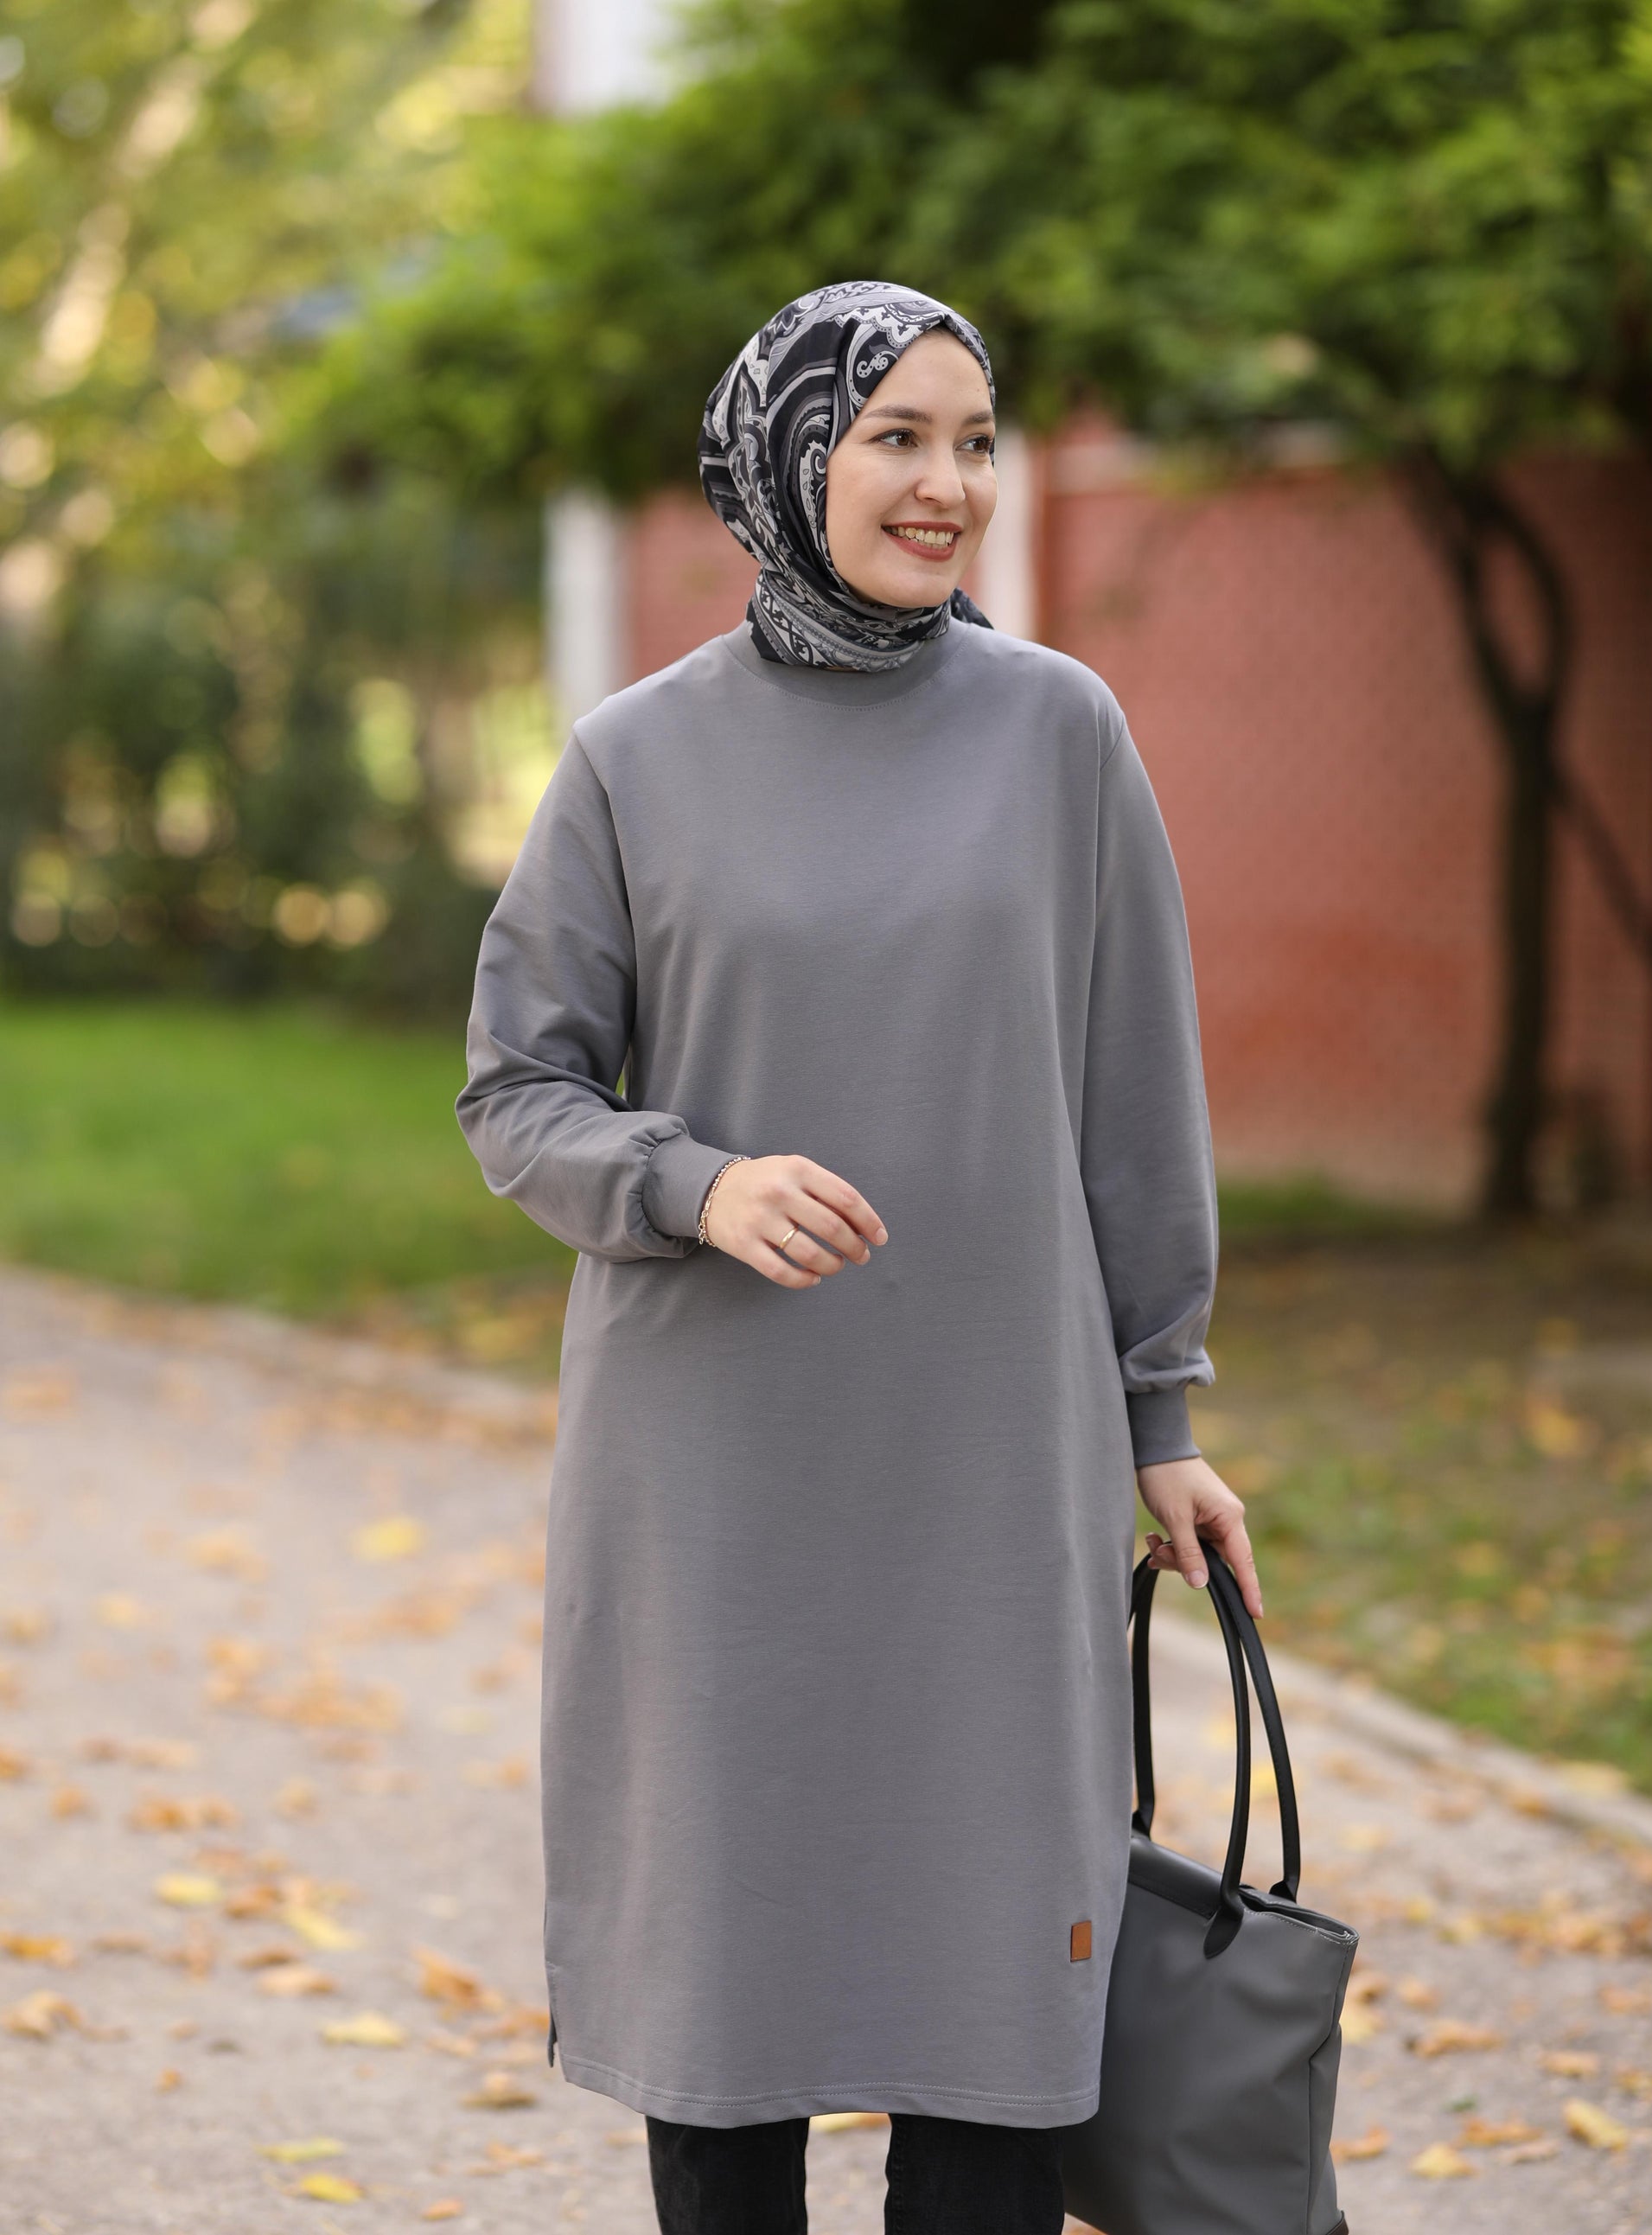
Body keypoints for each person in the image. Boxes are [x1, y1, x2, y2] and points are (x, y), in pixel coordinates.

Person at [456, 279, 1261, 2235]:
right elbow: (516, 1092)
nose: (947, 484)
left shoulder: (1061, 734)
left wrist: (1159, 1417)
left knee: (991, 2004)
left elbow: (1133, 1105)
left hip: (992, 1468)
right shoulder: (633, 758)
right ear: (787, 452)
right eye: (896, 435)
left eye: (975, 441)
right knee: (722, 1998)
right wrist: (693, 1182)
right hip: (713, 1486)